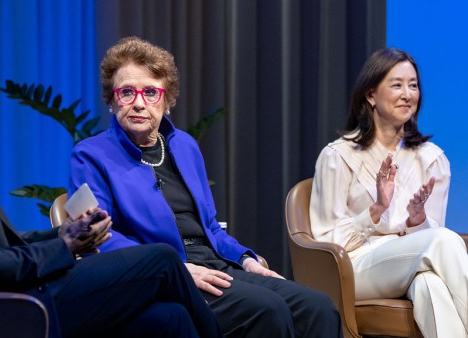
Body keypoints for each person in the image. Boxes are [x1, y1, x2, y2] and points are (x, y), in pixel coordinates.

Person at [0, 13, 223, 338]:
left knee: (169, 318)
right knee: (160, 259)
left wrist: (64, 233)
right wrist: (65, 247)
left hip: (1, 293)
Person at [69, 36, 342, 338]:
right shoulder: (91, 155)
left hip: (214, 265)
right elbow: (99, 237)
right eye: (126, 93)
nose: (138, 103)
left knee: (317, 306)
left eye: (150, 92)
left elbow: (210, 226)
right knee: (268, 309)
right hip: (160, 277)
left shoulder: (184, 146)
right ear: (111, 100)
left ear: (167, 100)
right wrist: (173, 268)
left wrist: (245, 259)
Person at [310, 47, 468, 338]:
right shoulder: (337, 156)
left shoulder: (432, 159)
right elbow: (327, 240)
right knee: (443, 241)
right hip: (353, 269)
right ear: (371, 95)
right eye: (397, 85)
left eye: (413, 85)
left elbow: (430, 243)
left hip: (410, 264)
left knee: (429, 285)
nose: (408, 94)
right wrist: (375, 210)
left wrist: (416, 220)